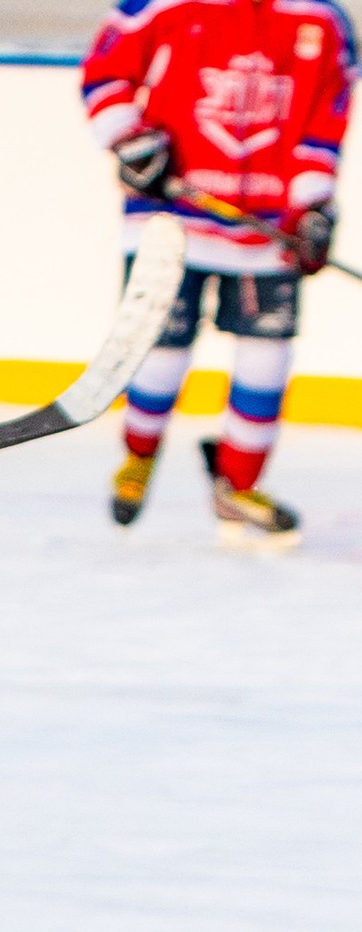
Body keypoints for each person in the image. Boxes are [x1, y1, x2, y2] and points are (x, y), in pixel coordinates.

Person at [82, 0, 350, 543]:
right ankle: (137, 460)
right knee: (160, 352)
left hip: (268, 227)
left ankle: (238, 485)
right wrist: (131, 142)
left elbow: (324, 122)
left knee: (267, 357)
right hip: (169, 222)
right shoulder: (162, 6)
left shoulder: (321, 20)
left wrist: (314, 206)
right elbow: (104, 73)